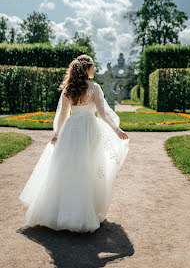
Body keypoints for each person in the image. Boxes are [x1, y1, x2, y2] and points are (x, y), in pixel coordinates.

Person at [19, 54, 129, 233]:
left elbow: (63, 115)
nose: (94, 69)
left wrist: (57, 134)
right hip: (89, 130)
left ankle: (60, 212)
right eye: (92, 66)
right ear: (86, 69)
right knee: (88, 168)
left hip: (71, 130)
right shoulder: (94, 88)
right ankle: (83, 213)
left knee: (67, 168)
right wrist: (117, 130)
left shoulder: (68, 89)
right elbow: (103, 114)